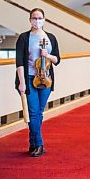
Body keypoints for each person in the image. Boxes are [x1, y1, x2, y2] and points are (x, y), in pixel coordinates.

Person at [15, 8, 60, 157]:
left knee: (39, 113)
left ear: (44, 20)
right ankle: (40, 144)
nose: (37, 21)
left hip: (46, 79)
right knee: (34, 112)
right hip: (29, 78)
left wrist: (48, 55)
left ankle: (32, 142)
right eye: (34, 18)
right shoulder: (24, 37)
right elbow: (19, 62)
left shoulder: (51, 38)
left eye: (40, 18)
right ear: (30, 20)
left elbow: (57, 60)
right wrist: (22, 83)